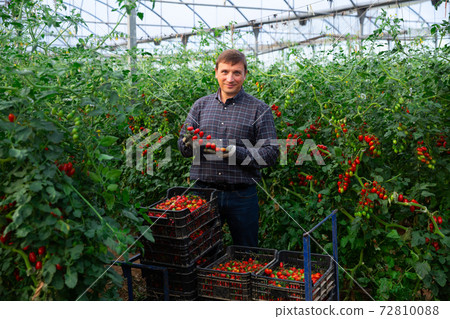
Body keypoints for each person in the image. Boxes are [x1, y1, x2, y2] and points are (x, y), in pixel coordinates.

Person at [177, 49, 278, 247]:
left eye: (236, 73)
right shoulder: (200, 106)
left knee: (246, 251)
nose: (230, 78)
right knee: (201, 250)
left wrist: (234, 152)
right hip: (204, 192)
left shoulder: (259, 109)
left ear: (245, 75)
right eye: (224, 72)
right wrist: (188, 144)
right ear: (216, 72)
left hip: (241, 195)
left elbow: (270, 154)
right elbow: (183, 146)